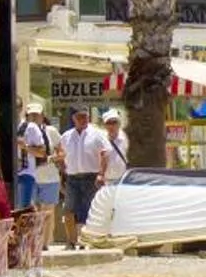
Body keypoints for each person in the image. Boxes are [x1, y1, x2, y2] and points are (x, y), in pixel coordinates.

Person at [59, 105, 110, 243]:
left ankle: (88, 241)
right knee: (69, 209)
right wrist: (63, 172)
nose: (83, 119)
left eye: (85, 116)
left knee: (91, 210)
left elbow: (105, 154)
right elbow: (60, 154)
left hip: (91, 177)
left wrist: (101, 174)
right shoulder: (66, 136)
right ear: (73, 118)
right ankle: (71, 241)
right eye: (80, 117)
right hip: (72, 178)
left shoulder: (97, 134)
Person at [16, 98, 61, 213]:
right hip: (31, 176)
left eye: (37, 115)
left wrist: (50, 159)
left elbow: (61, 152)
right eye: (31, 115)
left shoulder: (51, 131)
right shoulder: (23, 129)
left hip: (48, 177)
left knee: (47, 215)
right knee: (32, 214)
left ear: (43, 116)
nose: (34, 118)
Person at [101, 108, 131, 182]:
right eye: (108, 123)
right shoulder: (102, 139)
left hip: (124, 180)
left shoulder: (126, 138)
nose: (111, 126)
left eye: (114, 122)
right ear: (105, 125)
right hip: (107, 180)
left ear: (119, 124)